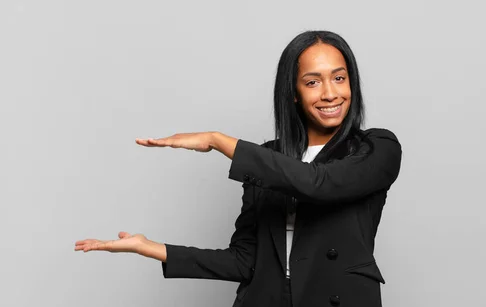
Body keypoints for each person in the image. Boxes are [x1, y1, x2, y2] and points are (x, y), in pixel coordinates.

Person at [75, 30, 402, 307]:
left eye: (339, 78)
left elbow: (319, 184)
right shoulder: (266, 158)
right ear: (293, 94)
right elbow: (246, 260)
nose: (330, 93)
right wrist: (150, 248)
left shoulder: (376, 148)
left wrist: (217, 140)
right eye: (313, 82)